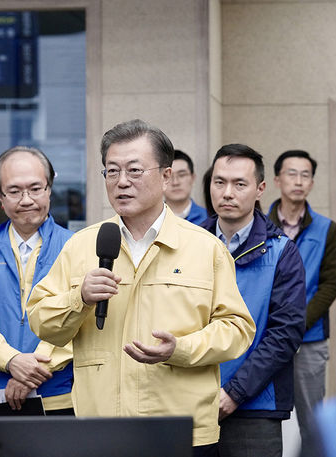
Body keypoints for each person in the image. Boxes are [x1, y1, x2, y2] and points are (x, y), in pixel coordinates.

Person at [27, 119, 255, 455]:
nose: (121, 183)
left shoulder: (205, 248)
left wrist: (180, 349)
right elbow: (42, 321)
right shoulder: (82, 246)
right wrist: (80, 298)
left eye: (134, 171)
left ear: (166, 176)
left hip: (181, 431)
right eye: (112, 171)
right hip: (101, 429)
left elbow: (237, 330)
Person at [200, 144, 306, 457]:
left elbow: (284, 335)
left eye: (239, 184)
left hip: (255, 406)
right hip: (192, 401)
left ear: (259, 189)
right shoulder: (190, 244)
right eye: (219, 182)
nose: (227, 193)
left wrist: (234, 392)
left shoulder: (282, 252)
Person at [0, 146, 74, 415]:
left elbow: (81, 321)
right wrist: (11, 361)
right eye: (15, 191)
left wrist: (30, 373)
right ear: (0, 197)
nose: (26, 199)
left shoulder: (76, 248)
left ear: (49, 189)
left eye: (35, 188)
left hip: (61, 398)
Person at [267, 149, 336, 454]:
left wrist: (297, 324)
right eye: (291, 173)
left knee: (312, 420)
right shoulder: (259, 226)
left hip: (310, 340)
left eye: (305, 175)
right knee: (259, 415)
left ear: (312, 183)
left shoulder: (327, 229)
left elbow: (330, 285)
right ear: (276, 180)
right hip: (266, 338)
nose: (298, 181)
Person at [164, 149, 208, 225]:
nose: (175, 182)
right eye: (169, 176)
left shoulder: (209, 219)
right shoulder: (151, 220)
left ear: (193, 178)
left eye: (181, 175)